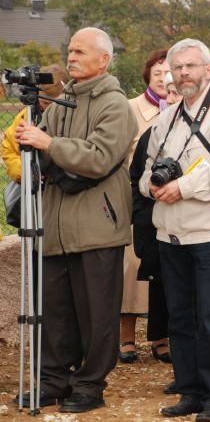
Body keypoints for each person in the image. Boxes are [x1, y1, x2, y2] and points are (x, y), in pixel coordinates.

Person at [13, 27, 138, 413]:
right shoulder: (60, 100)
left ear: (103, 59)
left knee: (97, 313)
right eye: (70, 50)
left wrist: (49, 145)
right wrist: (36, 145)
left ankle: (89, 384)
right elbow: (42, 153)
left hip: (97, 226)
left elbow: (100, 156)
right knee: (54, 310)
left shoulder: (115, 105)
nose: (72, 57)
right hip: (56, 223)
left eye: (81, 51)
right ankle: (52, 380)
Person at [139, 38, 210, 421]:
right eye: (178, 67)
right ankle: (189, 391)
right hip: (169, 233)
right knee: (180, 318)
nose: (184, 72)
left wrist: (183, 186)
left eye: (192, 65)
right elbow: (146, 169)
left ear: (209, 69)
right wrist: (152, 187)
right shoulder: (167, 116)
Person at [120, 49, 171, 364]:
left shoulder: (183, 113)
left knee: (163, 271)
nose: (164, 80)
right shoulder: (130, 109)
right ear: (148, 76)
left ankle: (161, 337)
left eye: (170, 75)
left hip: (170, 204)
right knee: (131, 270)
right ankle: (126, 337)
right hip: (135, 201)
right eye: (158, 74)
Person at [1, 64, 68, 183]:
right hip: (34, 188)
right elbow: (8, 148)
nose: (49, 109)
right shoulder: (26, 116)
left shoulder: (76, 116)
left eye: (53, 103)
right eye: (44, 102)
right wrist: (24, 171)